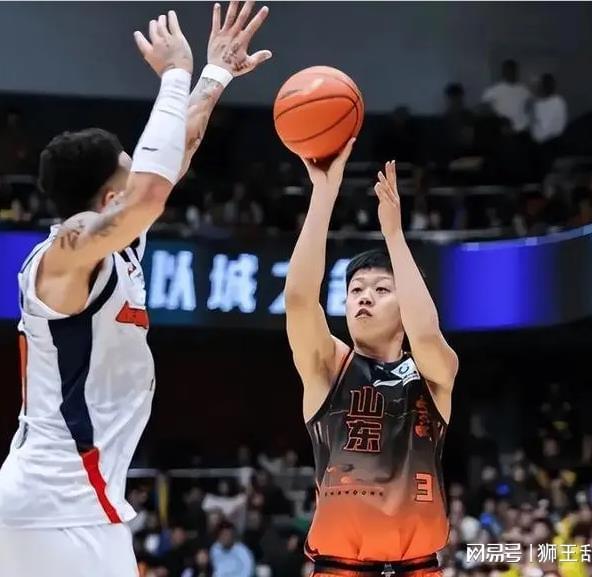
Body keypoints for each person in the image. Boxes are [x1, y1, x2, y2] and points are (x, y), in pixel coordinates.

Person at [0, 3, 271, 576]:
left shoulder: (118, 243)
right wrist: (174, 75)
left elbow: (179, 148)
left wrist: (215, 75)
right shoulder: (64, 254)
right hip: (55, 507)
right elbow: (150, 191)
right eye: (130, 170)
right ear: (109, 200)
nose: (148, 178)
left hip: (74, 504)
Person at [284, 143, 459, 576]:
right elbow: (300, 300)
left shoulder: (434, 373)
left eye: (382, 290)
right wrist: (324, 193)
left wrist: (395, 237)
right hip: (339, 567)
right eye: (356, 290)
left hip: (419, 568)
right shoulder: (329, 366)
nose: (364, 297)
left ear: (406, 303)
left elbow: (425, 332)